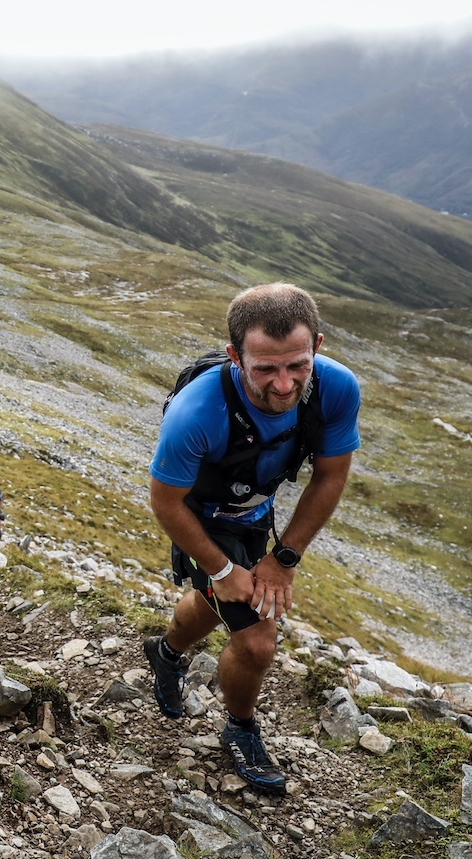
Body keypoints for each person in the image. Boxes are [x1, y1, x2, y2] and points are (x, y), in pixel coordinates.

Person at [144, 282, 360, 796]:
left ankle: (166, 652)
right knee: (258, 641)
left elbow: (330, 475)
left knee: (222, 600)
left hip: (254, 512)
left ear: (318, 347)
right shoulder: (197, 412)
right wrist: (222, 568)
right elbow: (166, 502)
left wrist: (283, 558)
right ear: (234, 356)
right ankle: (240, 728)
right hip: (200, 517)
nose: (284, 385)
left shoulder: (337, 388)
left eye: (298, 365)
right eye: (265, 369)